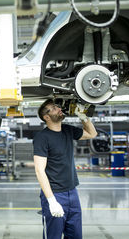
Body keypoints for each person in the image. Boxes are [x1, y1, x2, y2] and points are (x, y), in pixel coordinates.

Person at [33, 99, 97, 239]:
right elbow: (39, 170)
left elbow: (92, 134)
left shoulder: (68, 130)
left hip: (72, 192)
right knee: (53, 236)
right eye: (53, 108)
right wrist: (51, 201)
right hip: (55, 193)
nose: (58, 108)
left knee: (75, 235)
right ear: (47, 117)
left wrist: (83, 117)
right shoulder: (42, 137)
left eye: (57, 106)